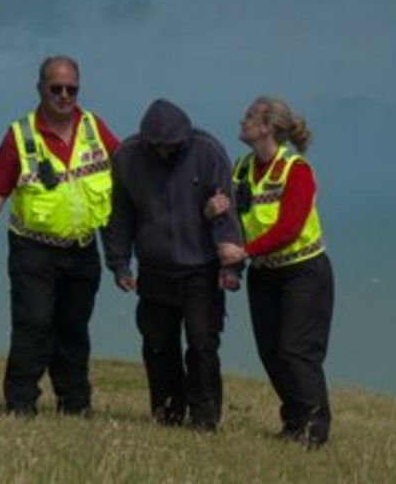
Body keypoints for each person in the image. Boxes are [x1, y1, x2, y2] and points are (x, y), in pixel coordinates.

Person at [0, 55, 119, 416]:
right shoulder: (19, 135)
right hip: (33, 251)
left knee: (74, 328)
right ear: (40, 88)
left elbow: (127, 172)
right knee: (34, 325)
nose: (64, 95)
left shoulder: (94, 128)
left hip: (82, 249)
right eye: (56, 88)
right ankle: (20, 403)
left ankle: (75, 404)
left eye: (71, 88)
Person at [100, 98, 243, 432]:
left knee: (202, 345)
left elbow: (226, 214)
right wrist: (120, 264)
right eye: (157, 147)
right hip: (154, 270)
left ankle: (204, 417)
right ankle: (167, 414)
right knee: (158, 345)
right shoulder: (126, 157)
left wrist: (231, 268)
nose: (164, 153)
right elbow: (118, 216)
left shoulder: (208, 152)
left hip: (201, 270)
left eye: (172, 147)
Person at [213, 96, 335, 448]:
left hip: (304, 272)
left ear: (267, 127)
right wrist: (214, 212)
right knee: (271, 352)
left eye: (249, 116)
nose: (242, 120)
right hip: (265, 274)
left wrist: (245, 251)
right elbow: (233, 220)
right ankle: (294, 420)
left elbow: (290, 227)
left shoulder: (296, 170)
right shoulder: (240, 168)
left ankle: (314, 430)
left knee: (296, 351)